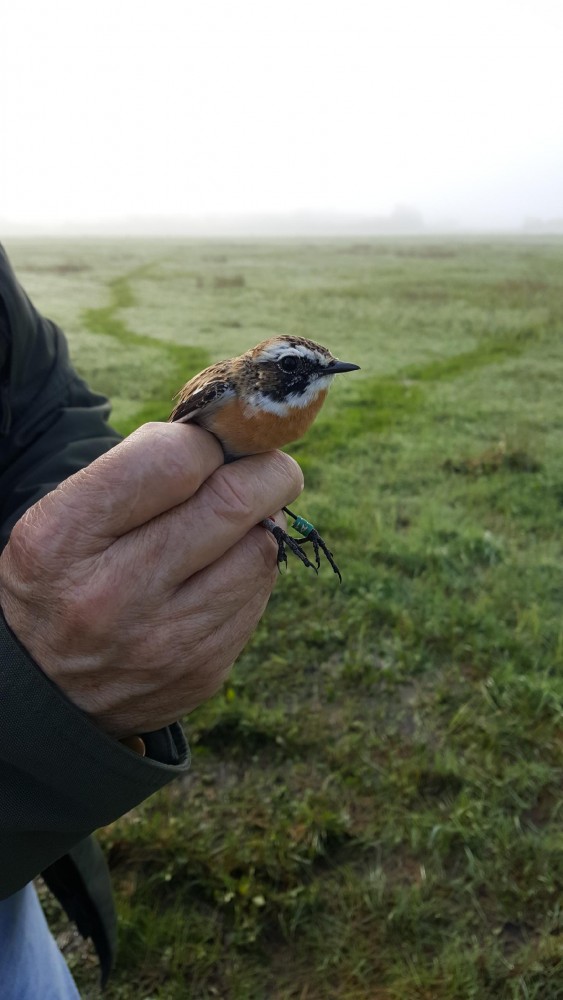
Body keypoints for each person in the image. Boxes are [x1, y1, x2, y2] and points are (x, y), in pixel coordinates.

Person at [0, 243, 303, 997]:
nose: (313, 387)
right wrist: (26, 682)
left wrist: (73, 558)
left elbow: (44, 407)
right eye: (298, 373)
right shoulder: (222, 390)